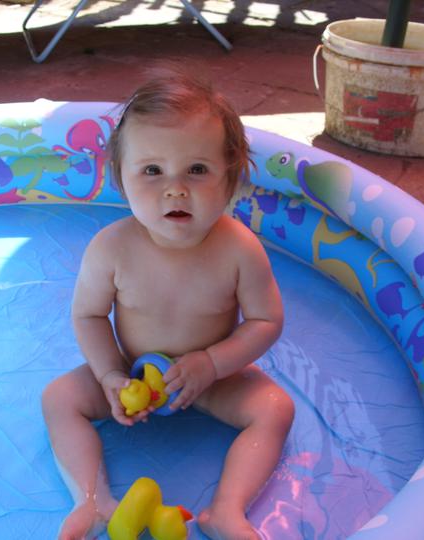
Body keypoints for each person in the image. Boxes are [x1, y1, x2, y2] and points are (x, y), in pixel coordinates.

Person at [42, 67, 294, 540]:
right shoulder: (111, 248)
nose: (175, 188)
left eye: (197, 170)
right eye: (152, 171)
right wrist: (110, 375)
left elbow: (266, 320)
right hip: (132, 372)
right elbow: (89, 315)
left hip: (211, 379)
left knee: (275, 408)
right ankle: (92, 501)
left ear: (230, 180)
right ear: (121, 180)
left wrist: (211, 364)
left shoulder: (239, 250)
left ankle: (227, 510)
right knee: (59, 398)